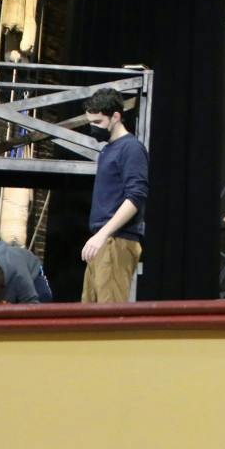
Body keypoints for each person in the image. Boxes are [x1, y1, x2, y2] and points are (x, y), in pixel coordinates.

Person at [80, 87, 148, 302]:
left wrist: (103, 234)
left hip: (115, 240)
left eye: (98, 122)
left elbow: (136, 196)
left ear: (116, 117)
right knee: (88, 313)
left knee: (108, 314)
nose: (94, 128)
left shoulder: (131, 148)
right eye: (91, 122)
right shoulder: (108, 150)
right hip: (103, 240)